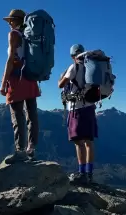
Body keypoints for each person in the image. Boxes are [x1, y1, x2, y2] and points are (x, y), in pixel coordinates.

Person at [0, 9, 41, 164]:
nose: (9, 24)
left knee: (17, 115)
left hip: (17, 78)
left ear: (13, 21)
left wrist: (3, 83)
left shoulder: (14, 35)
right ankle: (32, 150)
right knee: (32, 115)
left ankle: (20, 151)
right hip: (30, 77)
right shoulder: (30, 37)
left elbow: (11, 59)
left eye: (10, 21)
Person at [58, 44, 98, 184]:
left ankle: (81, 173)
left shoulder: (74, 67)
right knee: (89, 141)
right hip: (90, 107)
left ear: (72, 56)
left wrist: (61, 77)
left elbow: (61, 85)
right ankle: (89, 173)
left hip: (77, 109)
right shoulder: (91, 68)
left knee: (78, 143)